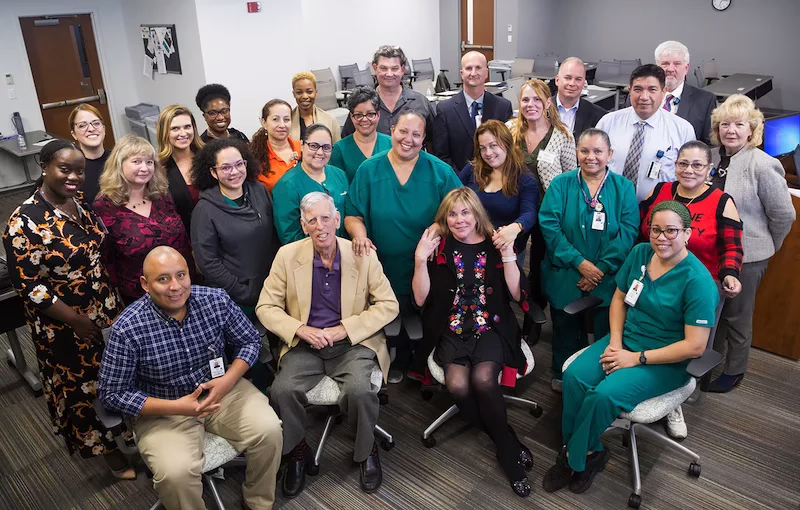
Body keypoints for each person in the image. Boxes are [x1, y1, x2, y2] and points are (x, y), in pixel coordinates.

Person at [543, 201, 719, 495]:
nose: (661, 238)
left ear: (687, 234)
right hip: (624, 341)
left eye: (671, 231)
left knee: (602, 395)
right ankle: (589, 451)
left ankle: (574, 458)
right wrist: (614, 342)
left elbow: (695, 346)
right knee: (574, 377)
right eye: (656, 230)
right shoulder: (640, 253)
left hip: (665, 360)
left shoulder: (697, 280)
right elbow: (618, 299)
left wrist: (635, 358)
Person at [99, 247, 283, 510]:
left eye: (181, 275)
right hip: (164, 408)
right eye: (163, 279)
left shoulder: (215, 300)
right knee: (175, 475)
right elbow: (113, 393)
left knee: (269, 430)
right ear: (145, 284)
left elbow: (250, 341)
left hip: (222, 391)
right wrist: (179, 407)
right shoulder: (128, 328)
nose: (175, 287)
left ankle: (258, 503)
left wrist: (228, 381)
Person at [2, 140, 132, 479]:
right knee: (85, 387)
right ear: (44, 167)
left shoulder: (78, 203)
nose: (73, 176)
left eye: (79, 170)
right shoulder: (24, 222)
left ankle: (129, 432)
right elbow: (30, 287)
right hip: (65, 323)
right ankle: (108, 451)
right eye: (65, 169)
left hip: (104, 308)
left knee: (115, 375)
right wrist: (76, 321)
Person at [257, 192, 399, 497]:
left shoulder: (362, 255)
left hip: (351, 344)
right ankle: (297, 451)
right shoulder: (287, 256)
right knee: (281, 392)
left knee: (361, 391)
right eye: (312, 220)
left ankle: (366, 451)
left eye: (326, 218)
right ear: (303, 225)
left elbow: (389, 304)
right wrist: (300, 329)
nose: (320, 226)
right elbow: (265, 307)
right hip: (305, 345)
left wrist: (344, 329)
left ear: (337, 220)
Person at [412, 187, 534, 497]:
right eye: (452, 214)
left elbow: (518, 295)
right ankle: (506, 439)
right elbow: (420, 298)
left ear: (476, 214)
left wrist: (508, 257)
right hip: (451, 328)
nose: (458, 219)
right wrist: (419, 260)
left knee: (482, 379)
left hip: (490, 327)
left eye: (465, 212)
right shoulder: (440, 247)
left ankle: (508, 457)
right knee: (457, 385)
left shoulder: (495, 245)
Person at [346, 111, 461, 381]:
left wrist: (440, 225)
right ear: (392, 129)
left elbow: (461, 211)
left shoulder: (440, 172)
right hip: (383, 264)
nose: (408, 140)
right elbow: (353, 215)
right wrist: (359, 234)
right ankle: (397, 356)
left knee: (428, 317)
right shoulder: (369, 170)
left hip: (429, 264)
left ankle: (424, 359)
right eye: (403, 132)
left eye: (416, 135)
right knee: (389, 315)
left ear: (424, 139)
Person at [639, 140, 743, 438]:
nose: (689, 170)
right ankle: (644, 384)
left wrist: (731, 274)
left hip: (699, 286)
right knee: (650, 334)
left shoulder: (722, 201)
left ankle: (675, 401)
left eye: (698, 165)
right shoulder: (660, 192)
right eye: (683, 163)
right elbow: (641, 232)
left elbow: (732, 246)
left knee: (687, 343)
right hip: (654, 279)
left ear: (710, 169)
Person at [707, 94, 796, 393]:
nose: (731, 130)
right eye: (725, 124)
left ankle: (735, 370)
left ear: (752, 129)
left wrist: (767, 245)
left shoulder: (763, 164)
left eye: (739, 124)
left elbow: (784, 215)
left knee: (736, 316)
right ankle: (709, 360)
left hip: (747, 256)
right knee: (710, 311)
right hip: (709, 251)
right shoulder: (709, 157)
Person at [539, 128, 639, 394]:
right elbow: (550, 226)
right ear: (577, 152)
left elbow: (628, 232)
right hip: (566, 272)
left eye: (598, 151)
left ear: (610, 155)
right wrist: (580, 263)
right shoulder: (561, 184)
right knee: (565, 329)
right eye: (584, 151)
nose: (591, 157)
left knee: (607, 329)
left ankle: (600, 375)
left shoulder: (624, 187)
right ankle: (563, 371)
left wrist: (600, 269)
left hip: (608, 277)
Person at [508, 78, 577, 341]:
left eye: (537, 99)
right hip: (515, 209)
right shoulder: (510, 130)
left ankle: (533, 315)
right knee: (509, 260)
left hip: (548, 213)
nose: (531, 104)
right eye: (526, 99)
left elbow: (571, 178)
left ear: (548, 102)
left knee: (539, 265)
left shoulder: (563, 136)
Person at [93, 135, 193, 307]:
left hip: (181, 289)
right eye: (136, 161)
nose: (144, 168)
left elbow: (184, 242)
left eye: (149, 162)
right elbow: (107, 258)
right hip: (140, 298)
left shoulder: (163, 195)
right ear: (119, 164)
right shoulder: (104, 207)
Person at [190, 138, 279, 318]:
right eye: (226, 167)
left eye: (239, 164)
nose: (235, 172)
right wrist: (240, 291)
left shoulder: (259, 190)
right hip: (237, 299)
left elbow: (274, 235)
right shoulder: (204, 210)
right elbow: (208, 261)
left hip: (272, 288)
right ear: (213, 172)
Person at [596, 64, 695, 201]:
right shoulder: (608, 122)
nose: (644, 97)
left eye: (652, 90)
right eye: (638, 89)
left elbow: (689, 176)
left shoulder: (682, 129)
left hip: (658, 211)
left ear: (664, 92)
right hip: (609, 205)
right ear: (630, 91)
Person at [458, 120, 538, 263]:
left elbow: (530, 212)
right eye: (482, 148)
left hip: (507, 253)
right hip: (470, 248)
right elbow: (454, 198)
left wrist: (516, 227)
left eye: (493, 146)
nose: (488, 153)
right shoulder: (472, 170)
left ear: (507, 144)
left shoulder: (525, 179)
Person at [433, 51, 514, 172]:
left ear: (486, 72)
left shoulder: (503, 107)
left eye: (478, 68)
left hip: (497, 181)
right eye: (468, 68)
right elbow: (442, 156)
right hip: (459, 183)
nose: (473, 73)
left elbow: (508, 150)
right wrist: (461, 182)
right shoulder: (445, 110)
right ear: (462, 73)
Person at [341, 45, 436, 146]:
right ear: (375, 68)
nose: (389, 74)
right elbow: (347, 141)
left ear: (403, 70)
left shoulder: (420, 102)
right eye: (383, 68)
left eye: (394, 68)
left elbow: (433, 141)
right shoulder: (362, 103)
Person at [273, 124, 349, 244]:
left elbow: (351, 214)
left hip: (345, 250)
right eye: (314, 146)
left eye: (326, 147)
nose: (320, 152)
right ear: (302, 146)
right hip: (310, 257)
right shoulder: (287, 186)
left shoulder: (339, 175)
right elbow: (289, 235)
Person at [655, 41, 717, 144]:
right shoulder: (640, 97)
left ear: (686, 68)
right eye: (665, 64)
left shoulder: (705, 100)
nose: (670, 69)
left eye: (677, 64)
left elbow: (709, 144)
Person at [156, 104, 205, 231]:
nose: (183, 133)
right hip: (184, 237)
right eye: (175, 129)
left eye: (187, 127)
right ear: (164, 132)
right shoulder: (158, 168)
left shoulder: (208, 157)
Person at [330, 86, 392, 182]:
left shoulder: (391, 144)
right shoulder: (339, 150)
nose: (364, 119)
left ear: (378, 115)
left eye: (370, 114)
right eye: (358, 115)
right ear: (351, 117)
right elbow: (337, 186)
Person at [250, 99, 302, 192]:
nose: (282, 125)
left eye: (286, 119)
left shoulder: (303, 149)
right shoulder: (255, 157)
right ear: (264, 122)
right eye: (275, 119)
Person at [553, 57, 607, 142]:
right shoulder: (541, 109)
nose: (572, 83)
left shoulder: (598, 116)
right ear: (557, 80)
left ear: (584, 83)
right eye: (568, 78)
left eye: (578, 79)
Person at [68, 104, 110, 205]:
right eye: (83, 125)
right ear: (74, 134)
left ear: (103, 129)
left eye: (96, 123)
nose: (91, 129)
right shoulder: (69, 168)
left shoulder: (120, 160)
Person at [290, 71, 342, 143]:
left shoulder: (330, 120)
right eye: (299, 92)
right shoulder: (288, 120)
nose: (305, 96)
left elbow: (337, 150)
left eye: (309, 92)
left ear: (316, 93)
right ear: (294, 94)